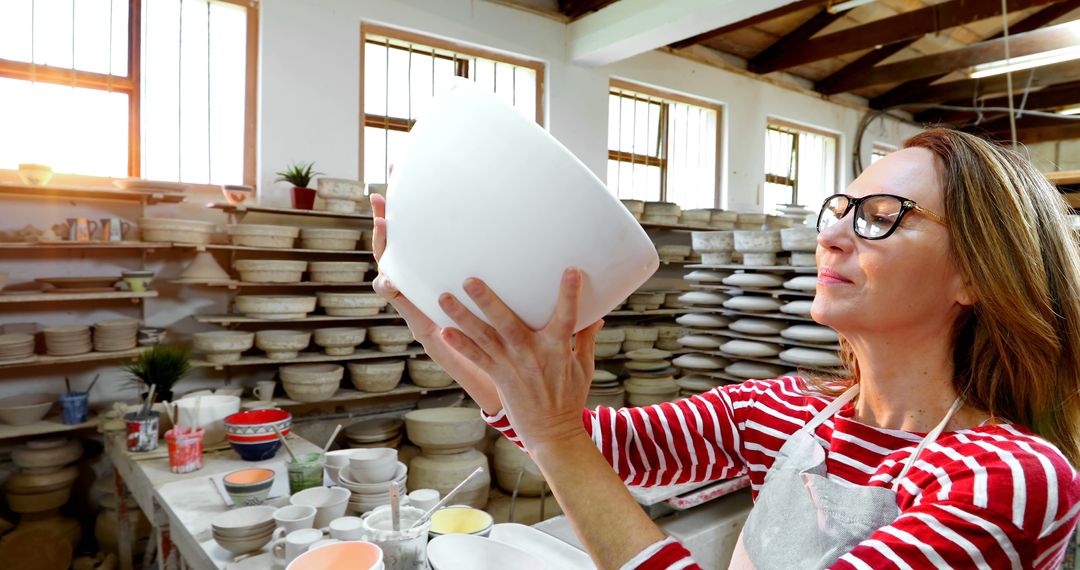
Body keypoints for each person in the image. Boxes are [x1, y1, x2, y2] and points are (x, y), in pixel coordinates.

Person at [372, 128, 1080, 569]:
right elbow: (579, 441)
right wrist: (433, 321)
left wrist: (555, 433)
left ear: (978, 273)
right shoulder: (778, 411)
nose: (831, 235)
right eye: (839, 209)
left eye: (880, 217)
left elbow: (559, 438)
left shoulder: (1007, 477)